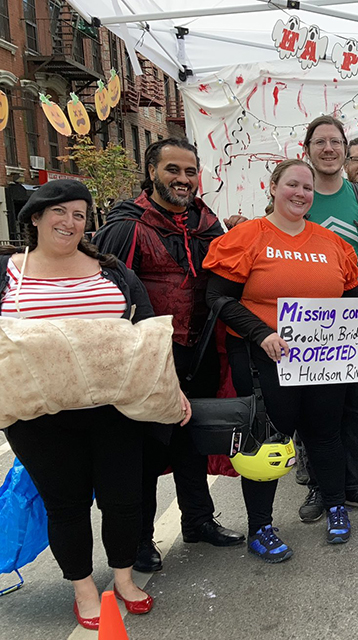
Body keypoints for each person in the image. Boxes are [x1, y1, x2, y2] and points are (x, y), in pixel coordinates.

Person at [0, 180, 191, 628]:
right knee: (65, 505)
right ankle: (84, 588)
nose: (70, 222)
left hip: (114, 410)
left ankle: (123, 579)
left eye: (80, 214)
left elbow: (146, 333)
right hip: (37, 415)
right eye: (60, 212)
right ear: (35, 217)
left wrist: (173, 389)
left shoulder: (110, 270)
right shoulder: (9, 271)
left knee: (123, 500)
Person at [93, 138, 244, 574]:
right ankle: (138, 539)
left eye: (190, 171)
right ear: (152, 171)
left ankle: (197, 520)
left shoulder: (208, 224)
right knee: (142, 450)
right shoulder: (127, 226)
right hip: (148, 358)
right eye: (173, 170)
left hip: (200, 352)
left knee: (192, 441)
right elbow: (107, 297)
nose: (182, 179)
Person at [203, 159, 358, 561]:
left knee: (326, 433)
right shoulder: (247, 236)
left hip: (323, 361)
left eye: (308, 188)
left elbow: (353, 303)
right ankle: (260, 526)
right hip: (263, 360)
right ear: (273, 187)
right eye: (292, 185)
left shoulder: (332, 244)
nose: (300, 194)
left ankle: (335, 504)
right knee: (266, 443)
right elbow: (218, 297)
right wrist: (261, 333)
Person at [297, 116, 358, 521]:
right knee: (316, 415)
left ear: (345, 148)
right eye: (321, 142)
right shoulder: (298, 195)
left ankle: (357, 485)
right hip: (308, 324)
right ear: (308, 149)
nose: (329, 149)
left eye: (336, 141)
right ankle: (322, 488)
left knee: (356, 411)